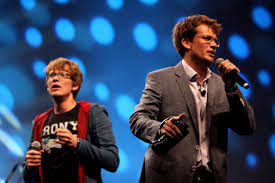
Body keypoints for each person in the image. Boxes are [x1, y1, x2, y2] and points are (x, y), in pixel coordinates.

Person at [129, 14, 255, 183]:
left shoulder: (223, 85)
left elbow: (247, 126)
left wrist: (232, 88)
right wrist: (160, 128)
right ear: (186, 42)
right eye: (206, 38)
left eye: (215, 41)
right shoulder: (160, 78)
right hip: (169, 177)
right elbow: (137, 119)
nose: (213, 45)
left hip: (212, 178)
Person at [23, 57, 119, 183]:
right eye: (51, 75)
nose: (55, 78)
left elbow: (112, 161)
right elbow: (28, 177)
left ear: (75, 85)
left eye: (63, 75)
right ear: (47, 87)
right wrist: (29, 166)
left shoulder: (93, 112)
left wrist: (78, 144)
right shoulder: (39, 121)